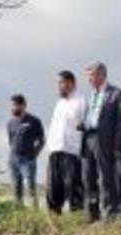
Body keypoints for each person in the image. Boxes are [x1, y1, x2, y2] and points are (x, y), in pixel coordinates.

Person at [80, 62, 121, 222]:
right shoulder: (91, 94)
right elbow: (90, 115)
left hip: (104, 139)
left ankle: (109, 212)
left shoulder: (116, 93)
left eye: (91, 75)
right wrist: (83, 124)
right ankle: (92, 213)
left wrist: (117, 145)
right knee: (88, 177)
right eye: (88, 76)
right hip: (88, 138)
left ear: (101, 75)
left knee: (106, 177)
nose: (89, 79)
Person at [45, 70, 87, 214]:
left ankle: (77, 216)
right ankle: (54, 216)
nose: (58, 86)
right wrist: (49, 147)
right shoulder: (59, 103)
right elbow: (54, 126)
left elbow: (85, 125)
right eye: (58, 83)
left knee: (73, 186)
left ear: (71, 83)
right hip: (55, 149)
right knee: (53, 187)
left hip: (72, 150)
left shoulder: (81, 101)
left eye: (61, 83)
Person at [7, 94, 45, 207]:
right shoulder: (10, 123)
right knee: (16, 190)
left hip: (28, 161)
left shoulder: (34, 121)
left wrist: (34, 154)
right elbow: (11, 141)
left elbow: (42, 140)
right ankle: (19, 214)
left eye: (14, 105)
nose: (12, 108)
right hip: (13, 161)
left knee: (31, 189)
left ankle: (35, 215)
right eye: (11, 106)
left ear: (23, 105)